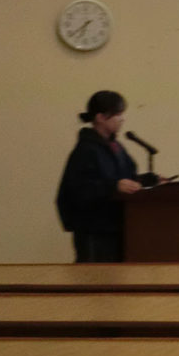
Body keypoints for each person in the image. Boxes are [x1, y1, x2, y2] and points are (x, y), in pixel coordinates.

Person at [55, 90, 157, 262]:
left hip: (116, 226)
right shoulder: (86, 150)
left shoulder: (115, 146)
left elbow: (125, 177)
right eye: (118, 114)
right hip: (94, 230)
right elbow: (79, 189)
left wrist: (146, 180)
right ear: (100, 117)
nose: (122, 119)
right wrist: (113, 186)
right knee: (95, 276)